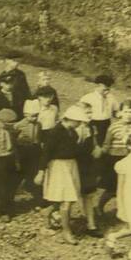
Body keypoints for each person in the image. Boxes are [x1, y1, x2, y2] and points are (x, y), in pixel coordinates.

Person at [41, 105, 90, 245]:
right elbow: (46, 152)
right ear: (70, 119)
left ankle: (50, 215)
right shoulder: (55, 132)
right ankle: (66, 231)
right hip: (59, 166)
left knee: (67, 197)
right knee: (66, 200)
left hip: (71, 166)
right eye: (78, 121)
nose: (80, 124)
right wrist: (41, 171)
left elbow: (75, 150)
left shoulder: (72, 133)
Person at [97, 100, 131, 221]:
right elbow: (106, 145)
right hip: (115, 160)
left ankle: (127, 212)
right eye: (126, 111)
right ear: (120, 113)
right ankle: (99, 207)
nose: (128, 114)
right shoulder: (114, 127)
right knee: (112, 188)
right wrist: (99, 157)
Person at [15, 99, 45, 205]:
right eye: (32, 116)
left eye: (36, 115)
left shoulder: (39, 124)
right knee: (19, 174)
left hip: (34, 150)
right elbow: (14, 139)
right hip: (23, 151)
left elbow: (39, 137)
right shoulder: (19, 125)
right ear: (25, 114)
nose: (34, 118)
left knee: (34, 174)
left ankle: (38, 199)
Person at [80, 74, 120, 147]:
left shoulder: (111, 98)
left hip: (106, 124)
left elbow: (116, 112)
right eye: (104, 90)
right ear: (97, 86)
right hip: (92, 123)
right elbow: (80, 113)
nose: (106, 92)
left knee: (105, 144)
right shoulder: (87, 98)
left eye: (108, 89)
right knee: (91, 145)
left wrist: (119, 115)